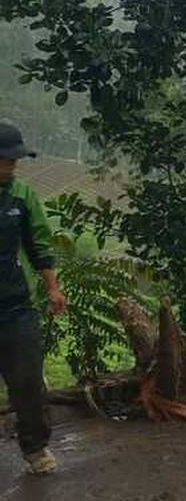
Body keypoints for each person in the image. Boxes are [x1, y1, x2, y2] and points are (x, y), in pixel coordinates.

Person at [0, 123, 67, 476]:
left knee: (26, 380)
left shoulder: (22, 195)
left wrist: (53, 288)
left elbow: (39, 245)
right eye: (7, 160)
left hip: (15, 307)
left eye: (15, 161)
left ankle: (36, 447)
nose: (12, 166)